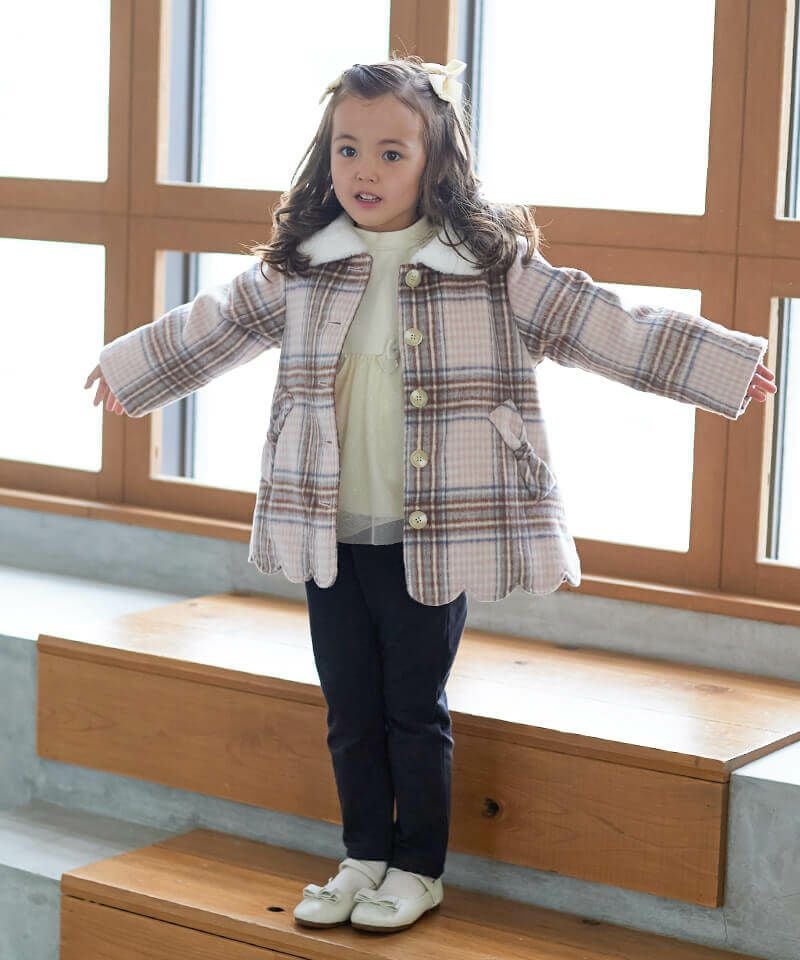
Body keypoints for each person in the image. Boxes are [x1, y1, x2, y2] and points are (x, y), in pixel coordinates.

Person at [84, 55, 778, 935]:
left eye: (391, 153)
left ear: (435, 160)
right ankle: (362, 855)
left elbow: (601, 321)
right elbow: (214, 323)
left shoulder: (489, 267)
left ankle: (418, 868)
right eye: (347, 149)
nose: (364, 171)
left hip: (436, 531)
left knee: (413, 710)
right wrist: (130, 368)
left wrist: (719, 364)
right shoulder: (303, 266)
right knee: (349, 710)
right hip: (330, 527)